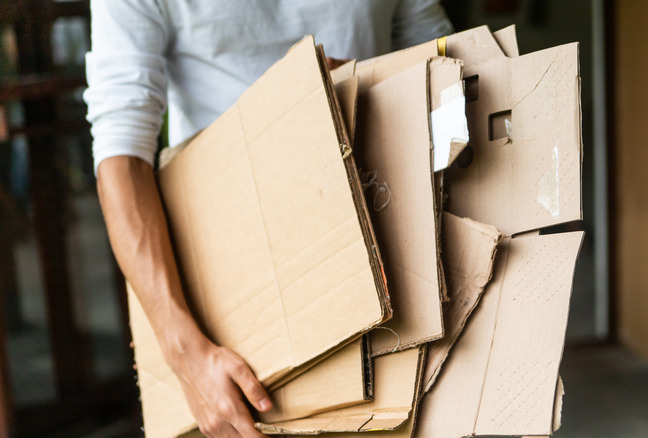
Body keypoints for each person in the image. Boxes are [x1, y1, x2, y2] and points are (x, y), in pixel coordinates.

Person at [83, 2, 453, 437]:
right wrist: (186, 355)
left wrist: (372, 80)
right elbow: (121, 153)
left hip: (390, 240)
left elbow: (444, 66)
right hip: (236, 297)